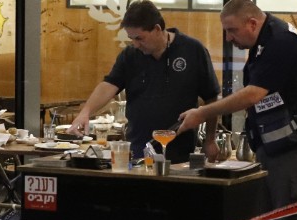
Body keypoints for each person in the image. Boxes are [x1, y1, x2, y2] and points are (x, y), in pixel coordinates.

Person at [178, 0, 297, 220]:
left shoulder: (282, 42)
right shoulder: (264, 42)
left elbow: (253, 95)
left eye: (232, 30)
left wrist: (203, 112)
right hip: (275, 147)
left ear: (252, 23)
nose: (228, 38)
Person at [67, 0, 220, 163]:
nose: (135, 44)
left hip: (180, 153)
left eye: (140, 38)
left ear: (157, 29)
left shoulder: (192, 50)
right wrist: (86, 112)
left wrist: (210, 139)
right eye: (131, 38)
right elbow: (109, 85)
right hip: (138, 150)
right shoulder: (130, 55)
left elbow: (211, 98)